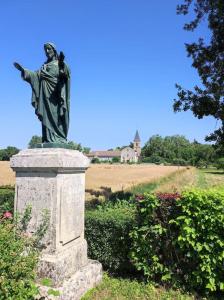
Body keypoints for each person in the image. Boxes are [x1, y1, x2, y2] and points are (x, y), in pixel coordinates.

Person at [14, 42, 70, 144]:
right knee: (46, 117)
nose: (47, 51)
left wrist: (62, 65)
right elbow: (35, 76)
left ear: (54, 50)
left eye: (49, 49)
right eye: (46, 50)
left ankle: (58, 137)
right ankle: (48, 139)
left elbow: (65, 76)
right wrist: (24, 71)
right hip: (44, 96)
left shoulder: (60, 63)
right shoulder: (44, 66)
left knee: (55, 116)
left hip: (55, 96)